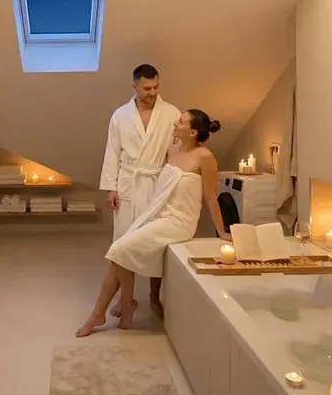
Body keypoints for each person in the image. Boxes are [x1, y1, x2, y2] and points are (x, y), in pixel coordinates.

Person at [78, 110, 231, 337]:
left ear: (192, 132)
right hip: (158, 213)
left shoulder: (205, 158)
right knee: (119, 253)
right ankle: (115, 308)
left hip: (179, 221)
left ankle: (103, 312)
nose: (175, 123)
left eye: (181, 121)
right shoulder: (172, 150)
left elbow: (210, 197)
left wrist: (222, 232)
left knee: (118, 248)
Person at [100, 64, 180, 318]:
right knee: (124, 244)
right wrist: (111, 188)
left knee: (157, 245)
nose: (152, 92)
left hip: (157, 184)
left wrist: (175, 185)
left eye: (156, 87)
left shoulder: (171, 113)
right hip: (128, 183)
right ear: (134, 86)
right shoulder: (120, 115)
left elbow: (177, 152)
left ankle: (154, 298)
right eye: (147, 88)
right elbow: (112, 152)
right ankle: (126, 299)